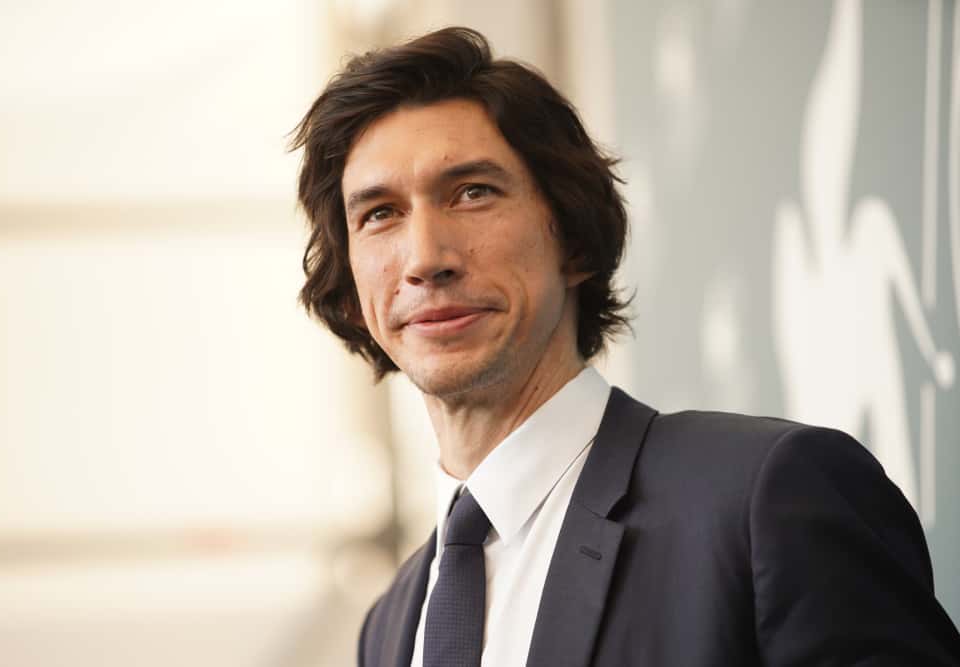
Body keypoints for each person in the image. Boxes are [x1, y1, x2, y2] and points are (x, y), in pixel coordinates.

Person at [291, 26, 960, 667]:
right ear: (351, 288)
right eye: (378, 213)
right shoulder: (390, 624)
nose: (424, 258)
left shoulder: (765, 499)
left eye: (472, 192)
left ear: (575, 238)